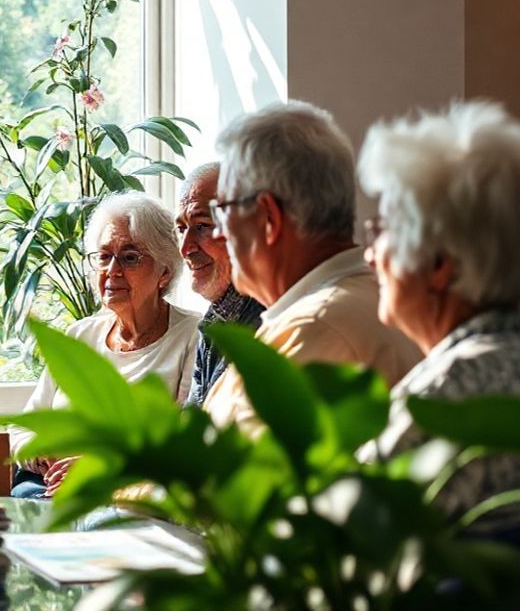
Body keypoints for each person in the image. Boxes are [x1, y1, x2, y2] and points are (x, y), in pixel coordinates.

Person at [203, 101, 422, 431]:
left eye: (223, 212)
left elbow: (237, 477)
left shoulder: (315, 328)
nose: (219, 234)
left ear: (268, 218)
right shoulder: (361, 296)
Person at [358, 101, 520, 535]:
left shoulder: (453, 392)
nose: (370, 255)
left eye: (382, 231)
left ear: (439, 264)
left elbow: (337, 539)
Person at [10, 193, 200, 499]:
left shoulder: (193, 335)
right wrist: (44, 457)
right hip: (46, 490)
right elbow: (21, 431)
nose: (112, 270)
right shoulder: (79, 335)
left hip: (125, 496)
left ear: (164, 271)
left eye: (129, 257)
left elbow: (182, 448)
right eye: (103, 256)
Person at [176, 162, 265, 406]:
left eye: (202, 226)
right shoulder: (217, 318)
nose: (185, 248)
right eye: (181, 229)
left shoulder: (270, 321)